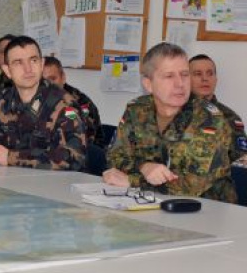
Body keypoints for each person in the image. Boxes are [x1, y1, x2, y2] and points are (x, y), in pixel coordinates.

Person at [104, 43, 246, 202]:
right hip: (148, 203)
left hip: (206, 209)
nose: (180, 84)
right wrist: (144, 166)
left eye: (184, 75)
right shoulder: (137, 109)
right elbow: (115, 156)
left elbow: (191, 186)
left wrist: (132, 181)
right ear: (148, 84)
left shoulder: (210, 119)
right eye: (169, 76)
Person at [0, 35, 86, 170]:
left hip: (51, 182)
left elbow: (75, 157)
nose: (28, 69)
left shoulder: (65, 105)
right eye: (18, 62)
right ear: (8, 71)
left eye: (33, 60)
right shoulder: (0, 101)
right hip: (7, 179)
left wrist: (10, 157)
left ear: (41, 64)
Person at [189, 53, 247, 158]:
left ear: (216, 79)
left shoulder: (230, 116)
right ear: (186, 79)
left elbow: (241, 159)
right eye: (198, 74)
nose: (205, 78)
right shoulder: (173, 112)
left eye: (210, 73)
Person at [43, 56, 104, 147]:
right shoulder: (33, 99)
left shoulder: (81, 103)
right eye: (43, 80)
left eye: (53, 78)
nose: (49, 84)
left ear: (63, 78)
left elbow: (82, 141)